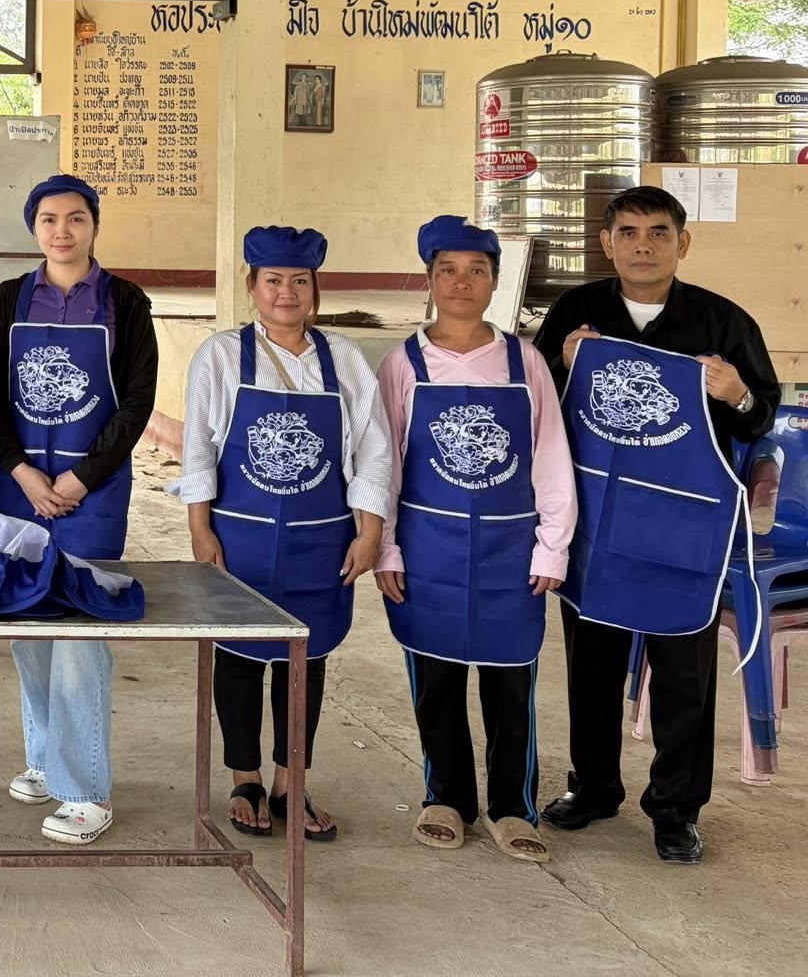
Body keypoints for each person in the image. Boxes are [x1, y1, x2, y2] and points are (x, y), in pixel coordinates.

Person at [536, 185, 781, 865]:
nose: (644, 243)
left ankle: (675, 811)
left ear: (683, 242)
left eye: (660, 231)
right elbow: (535, 412)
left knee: (683, 676)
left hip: (683, 528)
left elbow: (761, 415)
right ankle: (592, 787)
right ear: (607, 241)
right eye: (630, 231)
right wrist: (561, 365)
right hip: (597, 526)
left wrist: (735, 393)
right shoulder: (575, 313)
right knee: (591, 666)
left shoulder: (722, 322)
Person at [375, 216, 576, 863]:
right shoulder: (402, 365)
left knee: (509, 679)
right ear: (430, 280)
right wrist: (385, 548)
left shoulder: (526, 361)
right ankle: (446, 796)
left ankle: (512, 805)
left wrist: (553, 545)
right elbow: (383, 464)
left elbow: (550, 458)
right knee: (434, 678)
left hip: (509, 552)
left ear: (495, 280)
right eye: (448, 271)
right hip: (426, 547)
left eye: (477, 271)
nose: (462, 283)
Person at [180, 226, 390, 843]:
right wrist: (200, 528)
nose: (287, 293)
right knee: (241, 655)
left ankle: (289, 782)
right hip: (238, 534)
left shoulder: (344, 357)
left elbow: (373, 448)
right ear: (252, 288)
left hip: (323, 537)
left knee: (307, 657)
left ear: (316, 291)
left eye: (300, 281)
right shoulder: (220, 356)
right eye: (273, 280)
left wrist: (369, 530)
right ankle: (245, 779)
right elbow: (198, 449)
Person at [0, 174, 157, 845]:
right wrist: (23, 470)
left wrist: (82, 477)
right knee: (27, 624)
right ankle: (46, 758)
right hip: (21, 483)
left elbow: (136, 401)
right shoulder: (9, 298)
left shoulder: (125, 301)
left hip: (95, 489)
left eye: (75, 218)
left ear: (93, 225)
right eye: (49, 218)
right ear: (34, 228)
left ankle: (86, 790)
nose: (62, 229)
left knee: (81, 629)